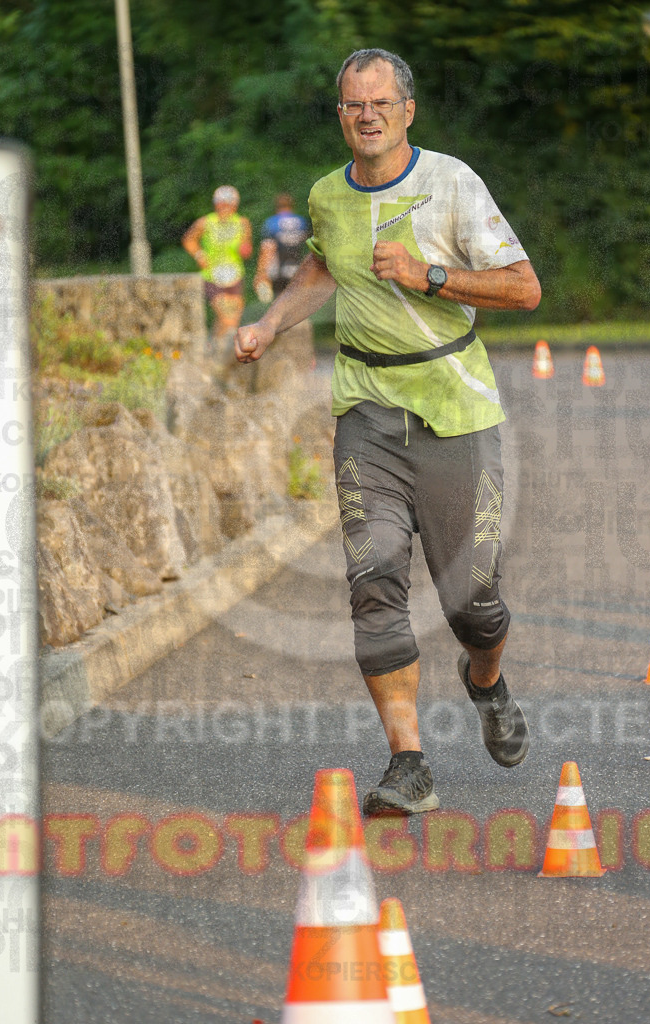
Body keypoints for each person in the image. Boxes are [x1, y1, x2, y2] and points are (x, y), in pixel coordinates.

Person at [235, 48, 541, 816]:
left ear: (407, 110)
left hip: (454, 411)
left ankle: (485, 681)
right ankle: (409, 763)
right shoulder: (326, 195)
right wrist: (269, 323)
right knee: (373, 588)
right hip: (364, 414)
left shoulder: (452, 182)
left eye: (378, 103)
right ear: (339, 114)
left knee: (474, 604)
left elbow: (523, 288)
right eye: (350, 105)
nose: (365, 116)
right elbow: (322, 267)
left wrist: (428, 274)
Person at [182, 185, 253, 347]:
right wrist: (199, 254)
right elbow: (189, 240)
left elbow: (247, 248)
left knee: (232, 321)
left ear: (236, 205)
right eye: (222, 204)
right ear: (216, 204)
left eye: (230, 204)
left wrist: (245, 249)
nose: (225, 208)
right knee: (226, 316)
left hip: (235, 275)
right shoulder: (205, 222)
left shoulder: (242, 223)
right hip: (212, 276)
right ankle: (217, 352)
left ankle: (213, 349)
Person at [253, 193, 310, 301]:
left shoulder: (272, 223)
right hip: (297, 269)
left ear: (276, 206)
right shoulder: (302, 222)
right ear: (292, 205)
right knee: (295, 304)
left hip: (277, 271)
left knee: (280, 304)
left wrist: (261, 273)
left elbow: (267, 248)